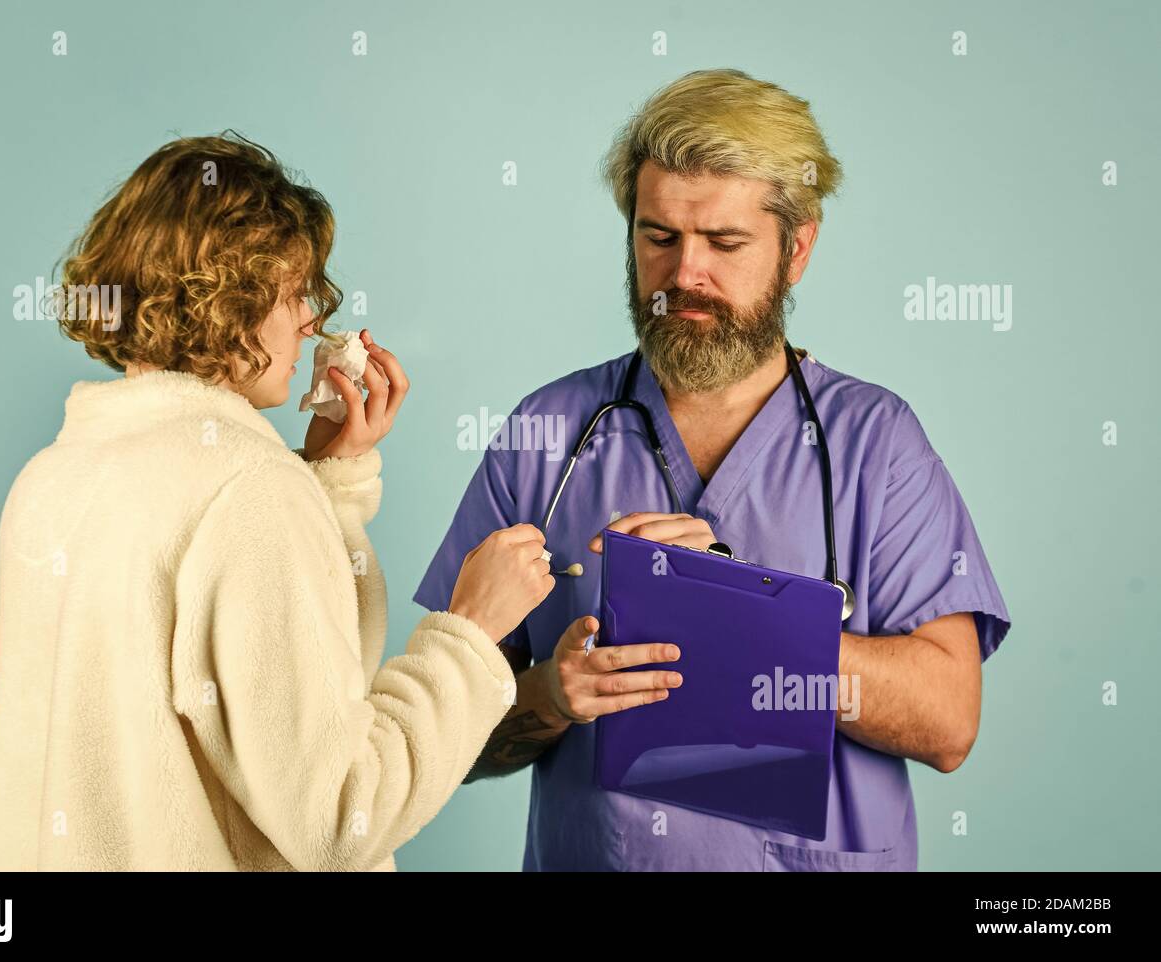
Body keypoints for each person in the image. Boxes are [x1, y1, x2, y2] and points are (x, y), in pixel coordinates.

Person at [415, 69, 1012, 871]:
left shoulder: (876, 443)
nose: (684, 275)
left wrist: (743, 620)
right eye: (658, 237)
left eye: (725, 244)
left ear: (796, 248)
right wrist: (550, 698)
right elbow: (439, 735)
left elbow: (949, 723)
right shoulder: (548, 434)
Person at [0, 132, 554, 871]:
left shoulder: (54, 474)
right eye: (292, 294)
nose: (311, 321)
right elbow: (341, 816)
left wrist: (328, 483)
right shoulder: (246, 491)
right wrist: (470, 637)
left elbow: (260, 694)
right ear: (226, 300)